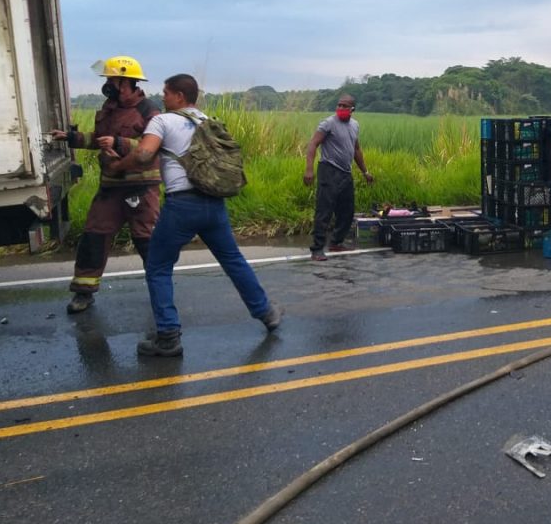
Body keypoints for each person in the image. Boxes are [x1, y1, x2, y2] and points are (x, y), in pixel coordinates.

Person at [108, 73, 281, 357]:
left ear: (179, 96)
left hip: (182, 206)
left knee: (158, 267)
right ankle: (267, 313)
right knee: (232, 259)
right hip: (214, 205)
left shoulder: (163, 121)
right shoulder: (206, 121)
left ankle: (168, 336)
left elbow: (143, 155)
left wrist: (117, 167)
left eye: (166, 92)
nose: (162, 97)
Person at [51, 55, 161, 314]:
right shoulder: (109, 108)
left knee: (146, 240)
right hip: (110, 187)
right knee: (94, 236)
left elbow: (154, 147)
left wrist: (119, 143)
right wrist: (71, 137)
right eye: (108, 79)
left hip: (140, 188)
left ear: (127, 82)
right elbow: (99, 138)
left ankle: (161, 289)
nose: (108, 84)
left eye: (112, 79)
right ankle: (83, 292)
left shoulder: (149, 111)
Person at [303, 94, 375, 260]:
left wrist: (365, 172)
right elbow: (313, 143)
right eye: (339, 105)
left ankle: (336, 242)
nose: (341, 108)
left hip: (345, 173)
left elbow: (356, 150)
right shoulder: (328, 123)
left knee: (347, 211)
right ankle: (317, 249)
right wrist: (309, 169)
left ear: (352, 109)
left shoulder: (355, 125)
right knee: (324, 211)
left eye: (345, 106)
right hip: (328, 170)